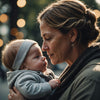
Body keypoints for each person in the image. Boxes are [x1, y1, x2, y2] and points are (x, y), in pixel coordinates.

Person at [8, 0, 100, 100]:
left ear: (72, 35)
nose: (43, 47)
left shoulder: (90, 79)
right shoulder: (74, 72)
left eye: (48, 38)